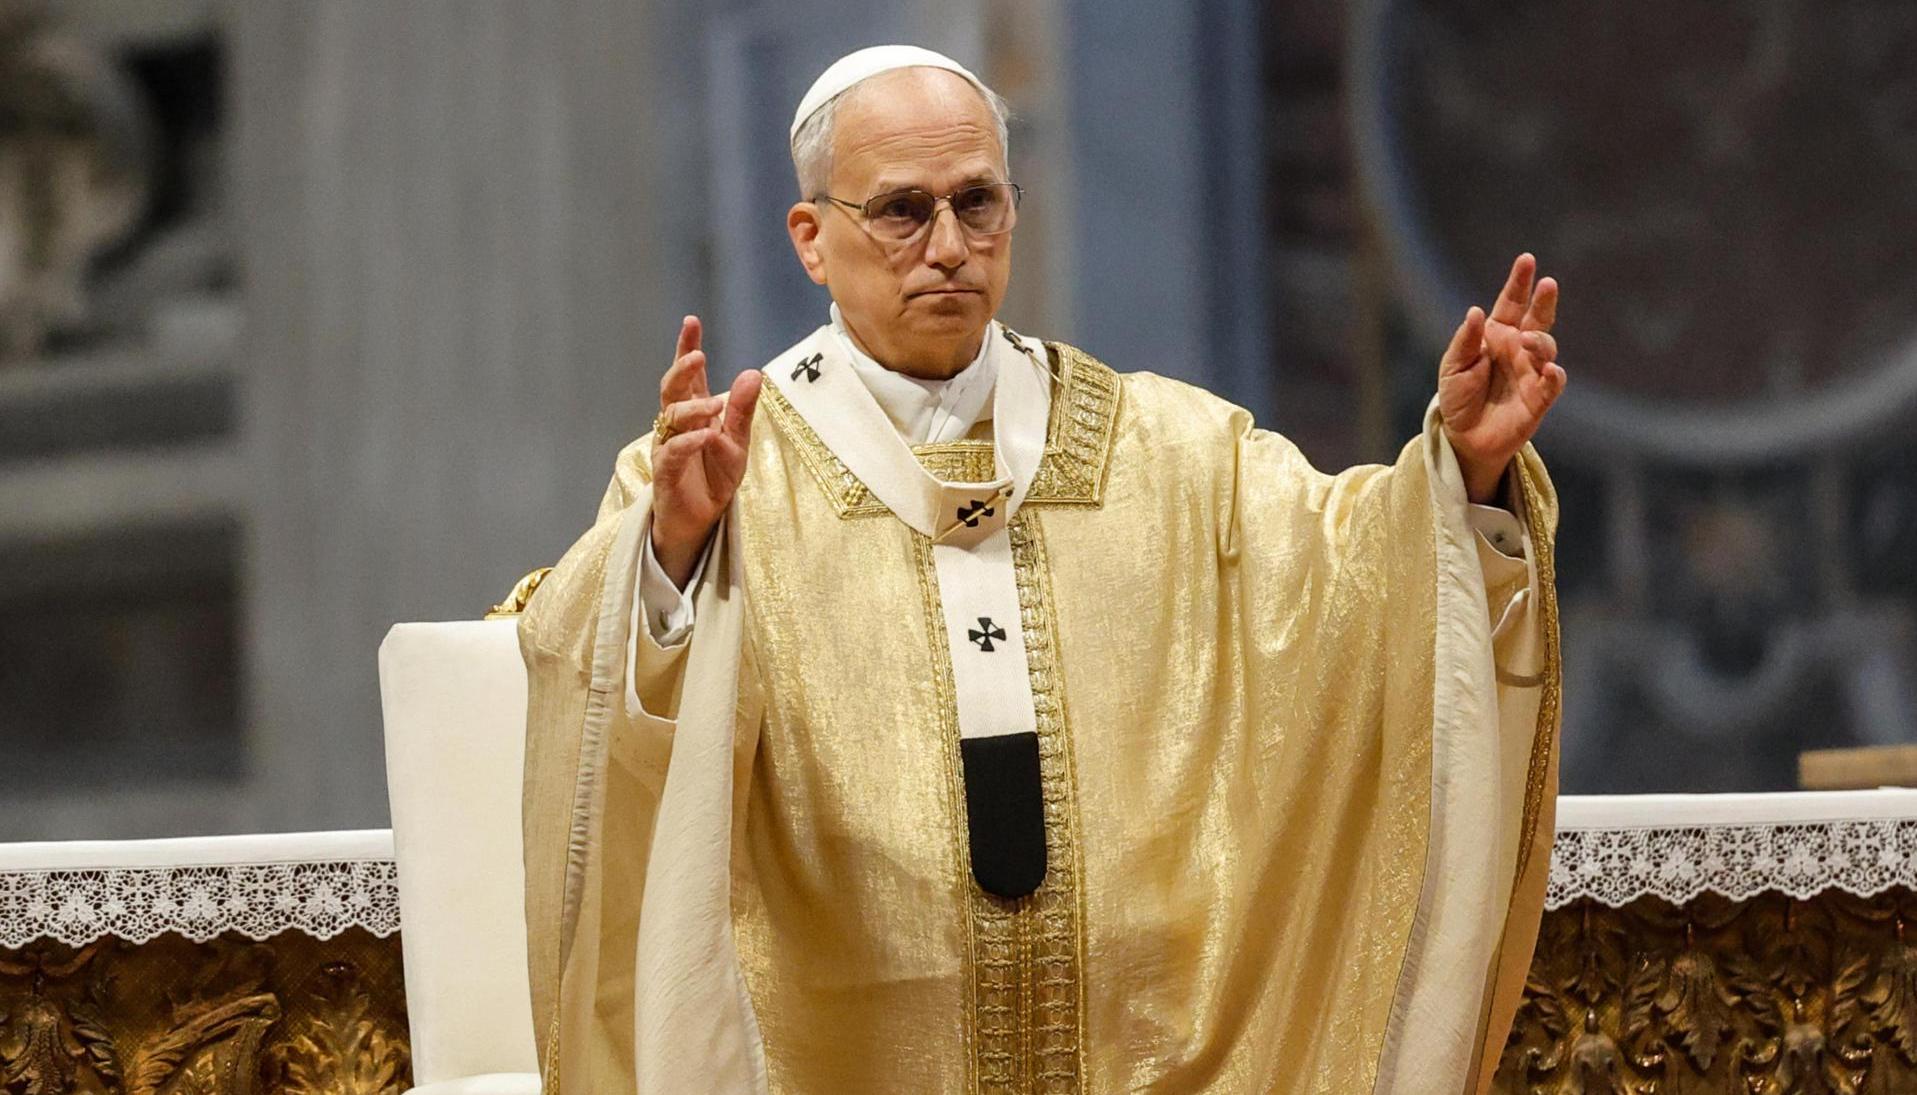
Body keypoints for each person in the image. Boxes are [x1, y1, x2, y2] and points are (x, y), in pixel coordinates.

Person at [519, 44, 1566, 1095]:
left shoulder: (1160, 446)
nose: (949, 247)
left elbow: (1350, 571)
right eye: (900, 211)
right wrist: (677, 551)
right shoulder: (728, 467)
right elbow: (588, 671)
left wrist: (1465, 466)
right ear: (809, 238)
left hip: (1134, 1047)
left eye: (979, 203)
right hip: (837, 1049)